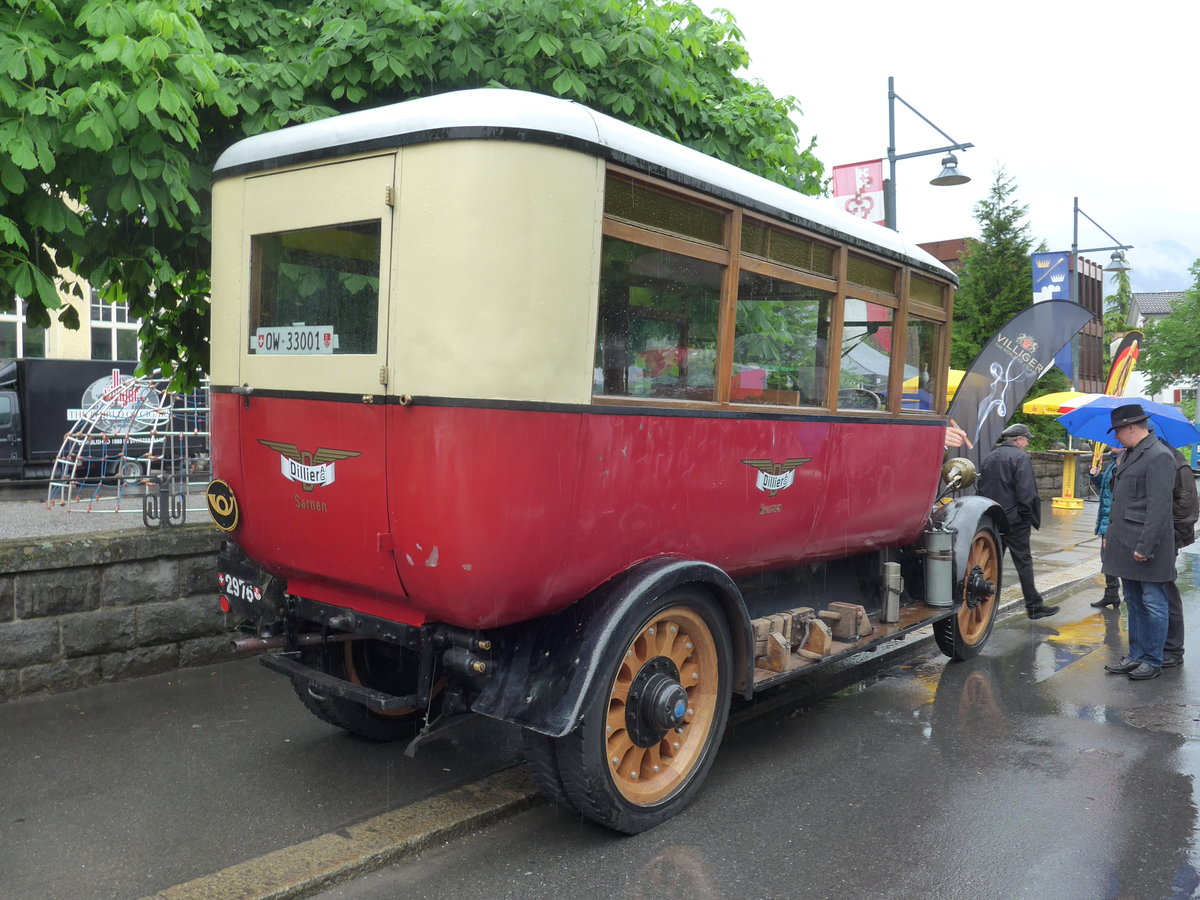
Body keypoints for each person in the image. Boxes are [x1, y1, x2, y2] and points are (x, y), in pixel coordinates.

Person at [1101, 404, 1177, 680]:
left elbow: (1159, 508)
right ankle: (1136, 655)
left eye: (1118, 431)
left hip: (1146, 545)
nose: (1116, 437)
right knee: (1133, 600)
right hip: (1125, 542)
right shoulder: (1132, 454)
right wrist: (1111, 536)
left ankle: (1153, 660)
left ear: (1131, 427)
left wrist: (1145, 547)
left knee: (1153, 603)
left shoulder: (1158, 455)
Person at [976, 422, 1058, 619]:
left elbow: (981, 486)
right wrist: (1026, 515)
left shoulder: (990, 457)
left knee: (991, 563)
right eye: (1027, 439)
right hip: (1015, 519)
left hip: (993, 517)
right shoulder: (1020, 457)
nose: (1028, 443)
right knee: (1023, 562)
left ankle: (984, 605)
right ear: (1018, 439)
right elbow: (1027, 491)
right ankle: (1034, 606)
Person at [1161, 437, 1199, 667]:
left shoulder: (1176, 461)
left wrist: (1170, 536)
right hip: (1150, 537)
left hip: (1167, 538)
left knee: (1167, 590)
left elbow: (1187, 509)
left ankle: (1174, 648)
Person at [1089, 447, 1124, 608]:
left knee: (1113, 559)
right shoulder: (1113, 461)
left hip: (1114, 519)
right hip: (1107, 517)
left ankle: (1125, 596)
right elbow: (1106, 487)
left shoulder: (1124, 462)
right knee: (1107, 559)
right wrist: (1096, 476)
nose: (1111, 445)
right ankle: (1111, 594)